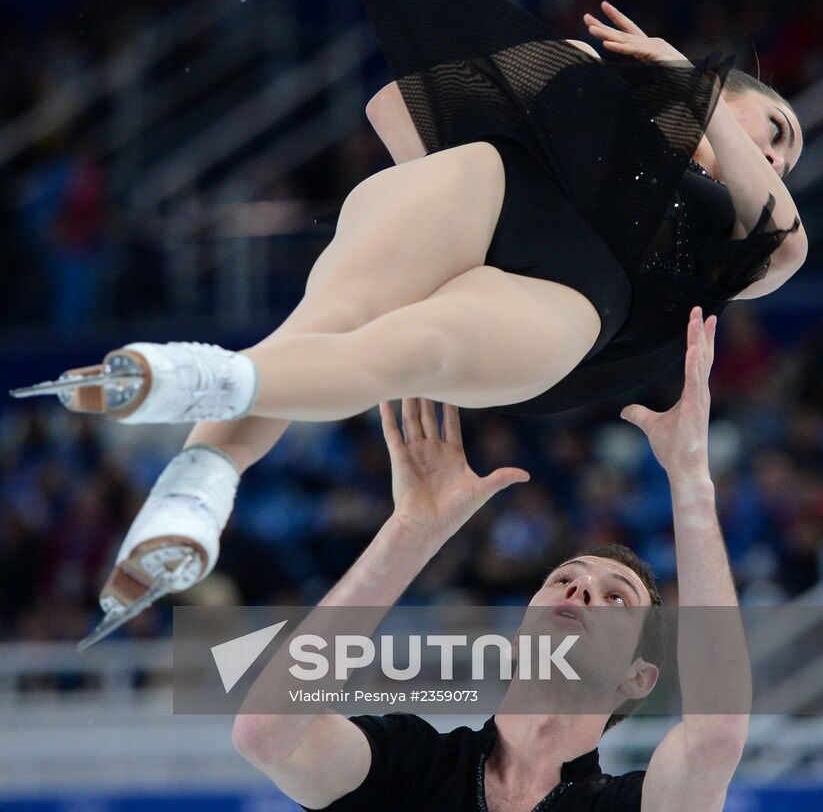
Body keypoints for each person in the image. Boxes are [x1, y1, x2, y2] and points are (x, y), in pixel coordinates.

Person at [11, 0, 806, 643]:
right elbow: (397, 106)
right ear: (727, 88)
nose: (776, 159)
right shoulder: (592, 82)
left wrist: (685, 94)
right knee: (332, 323)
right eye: (774, 129)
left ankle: (196, 395)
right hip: (491, 195)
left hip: (577, 297)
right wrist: (560, 115)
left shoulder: (743, 232)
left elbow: (785, 243)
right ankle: (191, 491)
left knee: (402, 346)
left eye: (789, 158)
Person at [231, 307, 750, 811]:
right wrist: (411, 533)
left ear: (637, 678)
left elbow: (715, 739)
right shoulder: (411, 764)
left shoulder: (626, 805)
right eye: (564, 579)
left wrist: (690, 483)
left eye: (617, 597)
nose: (581, 590)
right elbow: (267, 733)